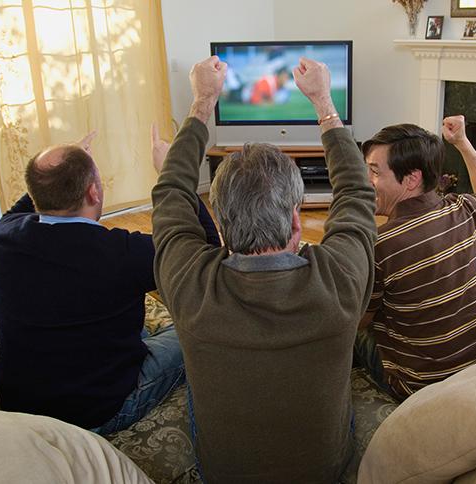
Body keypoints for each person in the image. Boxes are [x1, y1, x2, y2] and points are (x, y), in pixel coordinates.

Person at [150, 56, 376, 482]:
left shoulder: (189, 286)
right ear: (296, 221)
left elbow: (170, 193)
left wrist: (203, 102)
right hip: (326, 469)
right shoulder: (340, 280)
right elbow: (356, 192)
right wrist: (325, 103)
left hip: (224, 471)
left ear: (219, 222)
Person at [0, 132, 220, 435]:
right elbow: (209, 257)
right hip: (97, 411)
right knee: (195, 326)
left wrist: (57, 177)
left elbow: (25, 206)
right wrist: (173, 174)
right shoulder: (124, 254)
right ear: (94, 192)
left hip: (20, 405)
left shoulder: (2, 238)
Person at [354, 117, 476, 401]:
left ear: (411, 179)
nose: (367, 180)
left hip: (423, 387)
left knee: (345, 333)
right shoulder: (466, 211)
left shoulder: (381, 246)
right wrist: (462, 142)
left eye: (375, 171)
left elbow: (358, 320)